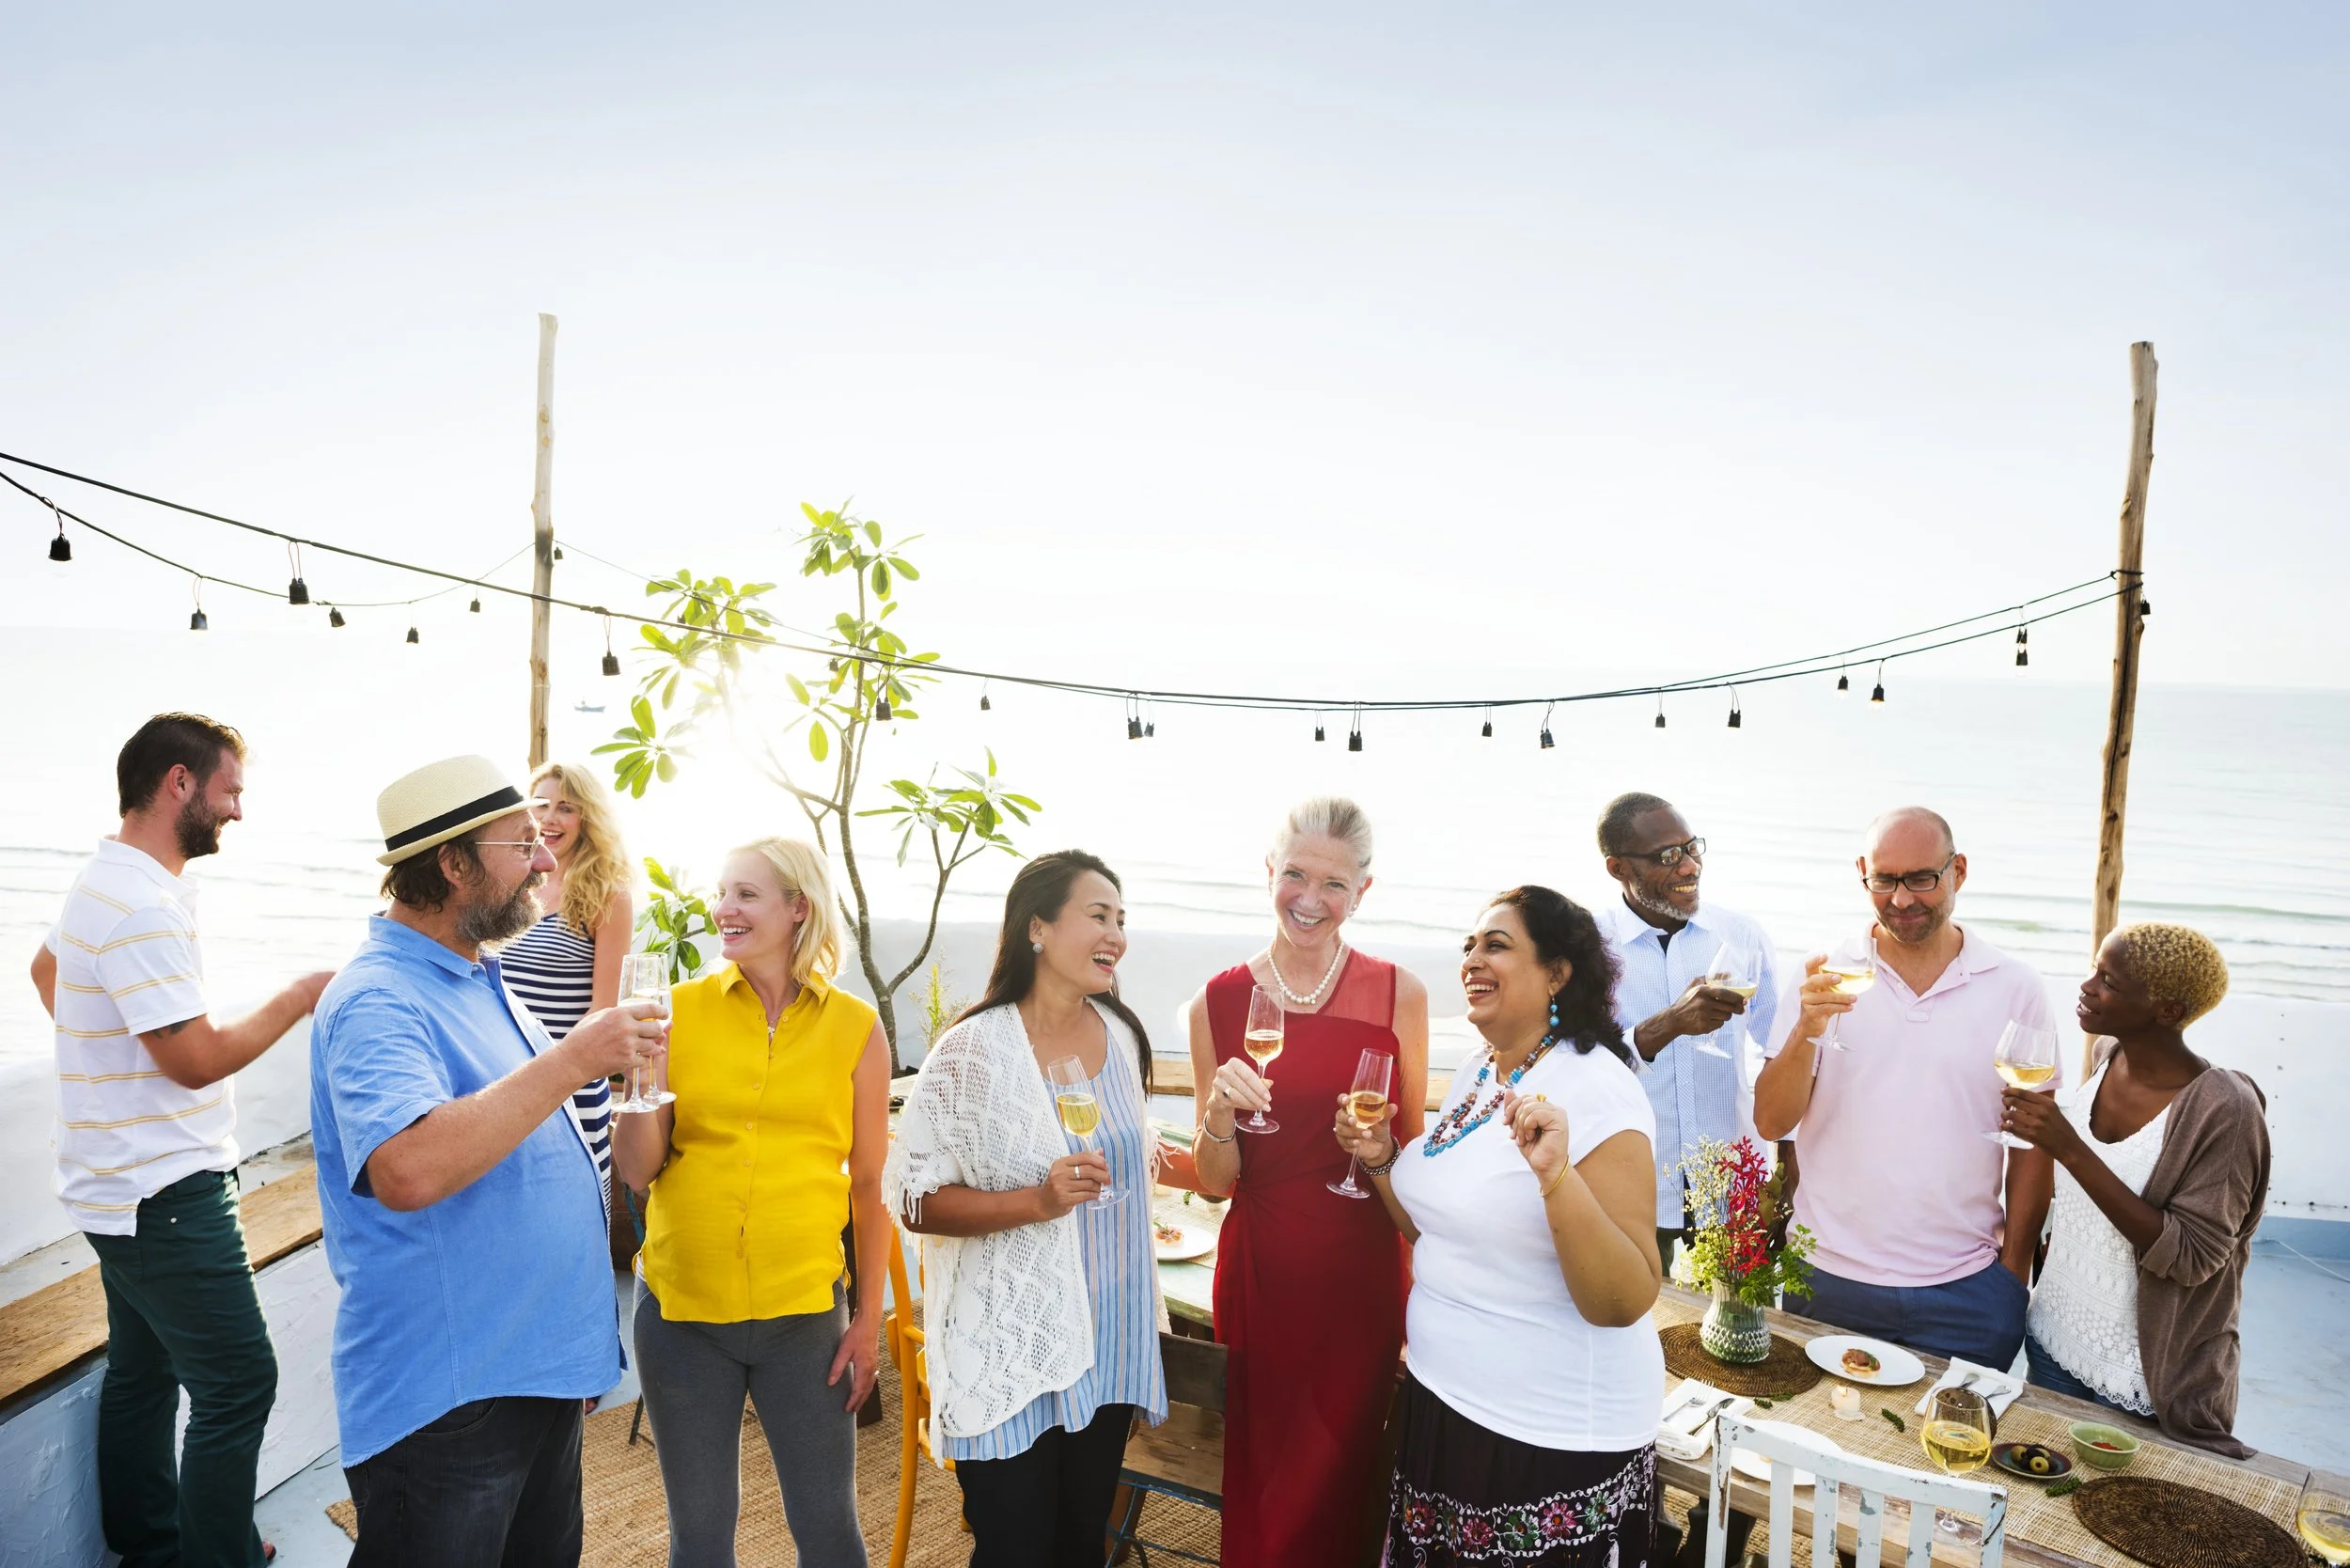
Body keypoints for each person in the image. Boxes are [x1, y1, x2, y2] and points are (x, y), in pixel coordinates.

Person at [311, 755, 663, 1567]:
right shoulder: (379, 998)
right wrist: (574, 1060)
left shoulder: (478, 974)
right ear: (453, 863)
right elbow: (408, 1169)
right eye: (523, 843)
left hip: (528, 1377)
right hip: (451, 1403)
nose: (545, 861)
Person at [27, 713, 330, 1568]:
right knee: (240, 1383)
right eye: (230, 790)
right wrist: (302, 993)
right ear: (179, 783)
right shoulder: (140, 905)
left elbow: (50, 975)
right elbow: (196, 1061)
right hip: (163, 1194)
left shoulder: (106, 879)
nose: (237, 811)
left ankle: (152, 1548)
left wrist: (109, 1055)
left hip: (111, 1185)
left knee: (143, 1371)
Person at [1340, 886, 1663, 1568]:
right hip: (1445, 1407)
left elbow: (1624, 1298)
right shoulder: (1475, 1074)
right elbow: (1440, 1232)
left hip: (1545, 1438)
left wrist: (1556, 1178)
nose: (1471, 959)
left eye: (1496, 944)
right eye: (1467, 946)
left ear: (1558, 972)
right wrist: (1381, 1162)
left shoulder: (1598, 1087)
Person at [885, 851, 1167, 1568]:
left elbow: (1136, 1157)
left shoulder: (1124, 1032)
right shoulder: (972, 1051)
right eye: (1098, 916)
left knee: (1080, 1545)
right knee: (1015, 1549)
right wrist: (1036, 1202)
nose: (1117, 935)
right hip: (1011, 1341)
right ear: (1036, 928)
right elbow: (913, 1197)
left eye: (1122, 920)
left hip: (1107, 1342)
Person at [611, 838, 887, 1567]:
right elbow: (639, 1172)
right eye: (722, 893)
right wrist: (639, 1083)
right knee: (699, 1540)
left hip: (805, 1318)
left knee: (830, 1532)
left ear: (798, 908)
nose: (722, 910)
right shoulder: (675, 1013)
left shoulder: (855, 1028)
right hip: (682, 1316)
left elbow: (867, 1182)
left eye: (745, 895)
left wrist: (867, 1319)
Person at [1183, 796, 1428, 1568]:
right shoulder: (1217, 1001)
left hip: (1360, 1278)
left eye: (1334, 885)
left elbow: (1412, 1161)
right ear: (1269, 873)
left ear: (1363, 892)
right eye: (1295, 875)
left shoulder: (1401, 995)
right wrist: (1219, 1115)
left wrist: (1381, 1147)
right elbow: (1217, 1181)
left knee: (1343, 1474)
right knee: (1264, 1479)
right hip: (1259, 1275)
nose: (1310, 900)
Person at [1753, 806, 2057, 1370]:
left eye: (1921, 878)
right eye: (1884, 880)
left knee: (1952, 1454)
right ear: (1863, 873)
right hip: (1828, 1278)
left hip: (1967, 1289)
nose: (1901, 899)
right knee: (1825, 1444)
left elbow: (2034, 1140)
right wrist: (1805, 1030)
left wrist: (2011, 1276)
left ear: (1958, 872)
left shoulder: (2016, 987)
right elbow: (1772, 1121)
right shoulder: (1823, 974)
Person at [2004, 921, 2269, 1457]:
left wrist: (2068, 1146)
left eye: (2108, 981)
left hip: (2144, 1381)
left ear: (2167, 1011)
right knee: (2045, 1507)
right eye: (2092, 970)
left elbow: (2193, 1256)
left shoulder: (2225, 1111)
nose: (2086, 987)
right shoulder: (2107, 1055)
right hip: (2054, 1340)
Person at [1593, 792, 1779, 1270]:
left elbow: (1781, 1047)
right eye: (1667, 857)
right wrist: (1669, 1024)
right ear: (1618, 868)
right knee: (1634, 1325)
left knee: (1738, 1331)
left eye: (1692, 848)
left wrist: (1787, 1171)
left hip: (1732, 1176)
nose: (1689, 867)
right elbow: (1574, 1064)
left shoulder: (1741, 936)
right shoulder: (1589, 948)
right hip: (1631, 1181)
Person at [501, 761, 635, 1187]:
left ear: (587, 817)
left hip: (569, 1083)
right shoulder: (509, 882)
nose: (549, 819)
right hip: (499, 1078)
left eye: (566, 808)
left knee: (569, 1206)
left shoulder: (607, 893)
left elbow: (603, 1009)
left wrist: (560, 1073)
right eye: (540, 805)